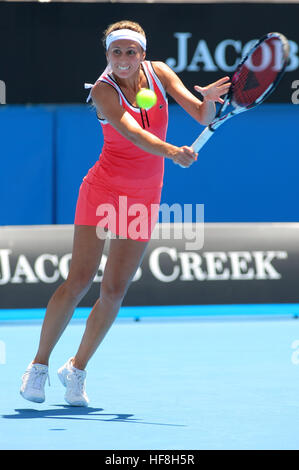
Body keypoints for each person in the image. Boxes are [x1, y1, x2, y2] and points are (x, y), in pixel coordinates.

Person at [20, 20, 230, 406]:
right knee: (79, 281)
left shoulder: (160, 73)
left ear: (142, 54)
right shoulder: (103, 90)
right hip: (102, 191)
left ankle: (76, 369)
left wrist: (210, 102)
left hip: (144, 196)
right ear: (107, 56)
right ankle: (38, 366)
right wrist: (172, 152)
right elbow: (133, 133)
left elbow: (201, 116)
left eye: (131, 52)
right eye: (116, 52)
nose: (123, 59)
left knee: (114, 291)